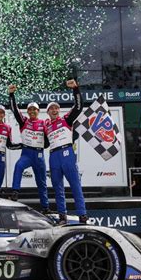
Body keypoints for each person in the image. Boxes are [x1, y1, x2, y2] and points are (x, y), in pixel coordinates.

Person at [44, 79, 87, 224]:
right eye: (51, 109)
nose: (54, 110)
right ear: (48, 112)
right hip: (53, 156)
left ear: (59, 110)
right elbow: (42, 142)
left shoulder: (66, 120)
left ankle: (82, 215)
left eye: (56, 108)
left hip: (67, 153)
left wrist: (75, 89)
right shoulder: (47, 126)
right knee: (57, 187)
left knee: (75, 185)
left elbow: (79, 107)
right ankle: (62, 216)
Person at [8, 85, 50, 212]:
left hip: (39, 155)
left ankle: (45, 207)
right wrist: (11, 95)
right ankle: (15, 192)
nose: (32, 111)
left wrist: (46, 144)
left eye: (34, 109)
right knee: (18, 166)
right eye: (30, 110)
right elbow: (15, 110)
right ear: (27, 111)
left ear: (38, 111)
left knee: (41, 183)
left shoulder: (44, 123)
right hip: (26, 153)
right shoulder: (24, 121)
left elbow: (50, 137)